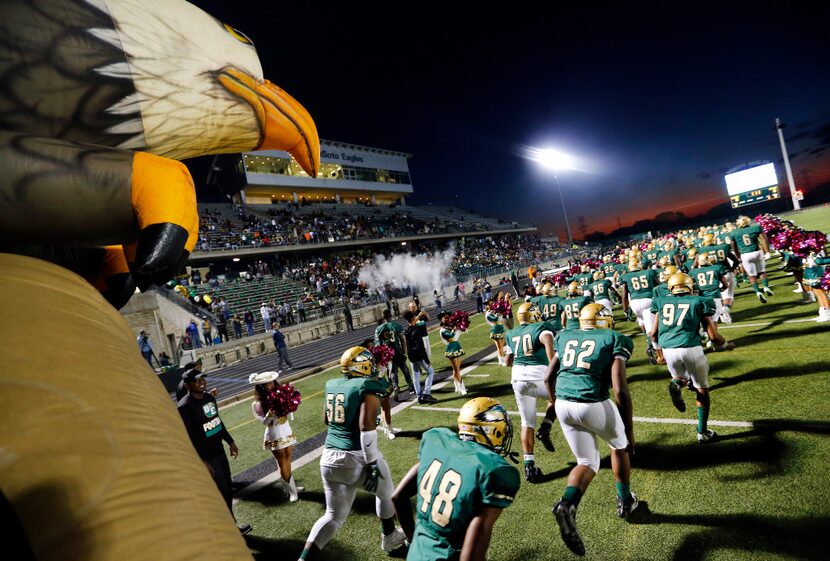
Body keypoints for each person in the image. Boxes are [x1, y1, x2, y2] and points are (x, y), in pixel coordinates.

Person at [298, 347, 406, 560]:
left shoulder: (333, 385)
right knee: (386, 493)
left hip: (328, 457)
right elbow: (366, 429)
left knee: (333, 516)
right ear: (363, 366)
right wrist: (372, 463)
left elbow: (327, 420)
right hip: (356, 455)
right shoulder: (366, 387)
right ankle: (389, 536)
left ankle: (303, 559)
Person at [546, 304, 637, 557]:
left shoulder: (565, 335)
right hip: (593, 401)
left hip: (564, 403)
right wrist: (628, 429)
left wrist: (556, 403)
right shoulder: (614, 338)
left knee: (586, 461)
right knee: (619, 446)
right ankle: (625, 501)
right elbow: (619, 389)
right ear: (606, 321)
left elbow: (548, 376)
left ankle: (567, 504)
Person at [392, 397, 520, 561]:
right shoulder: (494, 470)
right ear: (492, 430)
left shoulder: (437, 442)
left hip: (417, 553)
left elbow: (397, 497)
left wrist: (412, 538)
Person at [650, 272, 734, 443]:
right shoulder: (699, 301)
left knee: (680, 377)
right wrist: (726, 345)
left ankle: (676, 384)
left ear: (671, 287)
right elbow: (713, 336)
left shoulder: (661, 301)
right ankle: (702, 432)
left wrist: (660, 352)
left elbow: (653, 334)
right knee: (701, 389)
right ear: (689, 285)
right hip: (690, 347)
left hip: (668, 349)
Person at [177, 368, 251, 536]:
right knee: (219, 493)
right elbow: (186, 437)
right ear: (188, 385)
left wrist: (230, 441)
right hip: (207, 458)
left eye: (203, 379)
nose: (202, 382)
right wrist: (202, 462)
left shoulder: (209, 398)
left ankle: (231, 526)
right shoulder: (184, 407)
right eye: (197, 380)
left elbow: (217, 421)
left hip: (219, 452)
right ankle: (228, 530)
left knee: (227, 491)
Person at [503, 302, 556, 483]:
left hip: (518, 379)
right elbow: (551, 354)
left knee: (526, 422)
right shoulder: (542, 328)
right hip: (539, 376)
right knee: (560, 398)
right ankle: (547, 426)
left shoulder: (511, 334)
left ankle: (529, 466)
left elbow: (508, 361)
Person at [250, 371, 303, 502]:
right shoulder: (257, 404)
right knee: (282, 462)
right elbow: (264, 422)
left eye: (271, 382)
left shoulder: (280, 395)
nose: (270, 385)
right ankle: (292, 492)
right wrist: (270, 414)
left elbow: (288, 411)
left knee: (288, 459)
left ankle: (291, 486)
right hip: (274, 433)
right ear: (261, 387)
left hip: (285, 429)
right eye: (266, 384)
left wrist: (290, 402)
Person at [620, 259, 662, 364]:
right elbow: (659, 285)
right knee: (652, 329)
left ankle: (649, 343)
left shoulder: (626, 276)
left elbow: (624, 294)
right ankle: (653, 348)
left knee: (642, 321)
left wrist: (625, 309)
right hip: (648, 300)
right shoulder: (649, 272)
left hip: (635, 303)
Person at [731, 215, 773, 303]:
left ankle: (758, 292)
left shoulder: (734, 233)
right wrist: (768, 252)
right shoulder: (756, 228)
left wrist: (738, 257)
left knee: (751, 275)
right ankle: (766, 287)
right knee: (761, 272)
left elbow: (734, 247)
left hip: (745, 255)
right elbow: (764, 240)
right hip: (757, 252)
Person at [374, 309, 413, 401]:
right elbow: (402, 340)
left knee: (392, 371)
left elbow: (378, 345)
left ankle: (395, 386)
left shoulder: (379, 329)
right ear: (390, 315)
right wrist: (404, 352)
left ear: (383, 317)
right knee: (405, 369)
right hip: (398, 350)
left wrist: (381, 356)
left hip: (388, 353)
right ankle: (411, 386)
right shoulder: (396, 326)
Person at [403, 311, 437, 404]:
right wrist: (426, 359)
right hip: (419, 356)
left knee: (415, 376)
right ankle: (426, 393)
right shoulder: (417, 330)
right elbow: (421, 346)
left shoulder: (406, 331)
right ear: (414, 319)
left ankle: (419, 396)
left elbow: (407, 346)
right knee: (431, 371)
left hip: (412, 357)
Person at [439, 312, 467, 395]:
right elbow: (450, 336)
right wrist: (455, 328)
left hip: (457, 346)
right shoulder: (442, 330)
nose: (447, 319)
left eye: (448, 317)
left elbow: (457, 335)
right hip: (451, 349)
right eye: (445, 318)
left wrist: (462, 326)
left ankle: (457, 385)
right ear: (441, 319)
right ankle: (462, 388)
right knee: (456, 369)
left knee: (457, 368)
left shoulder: (450, 326)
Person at [485, 300, 507, 366]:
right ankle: (501, 361)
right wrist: (498, 313)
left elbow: (500, 319)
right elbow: (494, 319)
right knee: (499, 346)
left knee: (502, 346)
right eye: (490, 304)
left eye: (492, 303)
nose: (492, 304)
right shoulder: (488, 313)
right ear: (487, 306)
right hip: (495, 330)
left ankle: (502, 359)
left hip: (500, 328)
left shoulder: (495, 311)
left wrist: (501, 312)